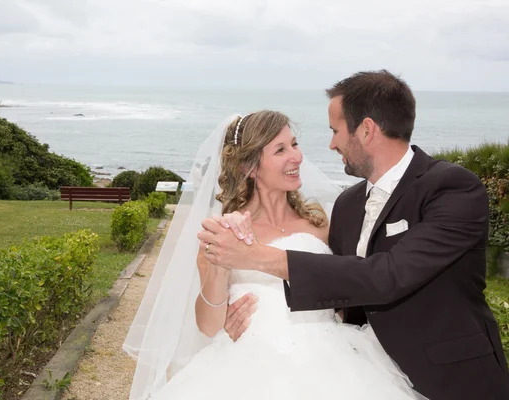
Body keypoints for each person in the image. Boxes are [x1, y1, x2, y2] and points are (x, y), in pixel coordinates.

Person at [198, 70, 509, 400]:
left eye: (335, 131)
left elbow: (388, 275)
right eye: (281, 149)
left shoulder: (452, 188)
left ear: (366, 130)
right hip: (343, 371)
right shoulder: (346, 207)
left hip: (452, 382)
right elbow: (349, 299)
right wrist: (246, 323)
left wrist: (256, 258)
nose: (329, 144)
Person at [124, 109, 426, 399]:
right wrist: (221, 270)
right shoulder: (224, 233)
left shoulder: (321, 225)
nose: (297, 157)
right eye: (280, 150)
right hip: (248, 368)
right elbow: (208, 325)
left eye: (294, 144)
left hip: (332, 365)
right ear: (250, 166)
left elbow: (349, 291)